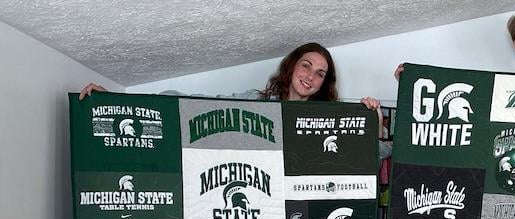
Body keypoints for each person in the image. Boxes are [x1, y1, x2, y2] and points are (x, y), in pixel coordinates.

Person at [80, 41, 389, 158]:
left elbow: (372, 154)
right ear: (292, 65)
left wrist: (373, 121)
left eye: (320, 73)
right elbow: (192, 102)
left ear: (325, 83)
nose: (310, 75)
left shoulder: (328, 120)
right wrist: (123, 100)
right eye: (306, 65)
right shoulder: (256, 102)